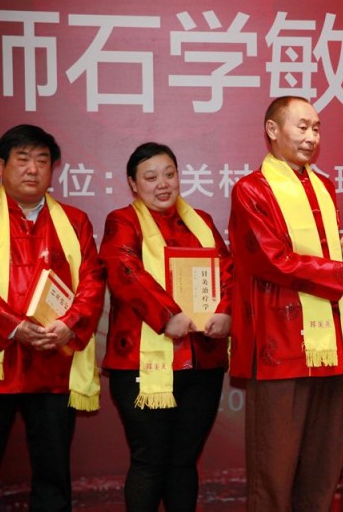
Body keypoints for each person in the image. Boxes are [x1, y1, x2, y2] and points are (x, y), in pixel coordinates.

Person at [228, 96, 343, 511]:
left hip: (327, 346)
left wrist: (339, 249)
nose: (312, 137)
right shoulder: (251, 190)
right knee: (274, 468)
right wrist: (339, 271)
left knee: (321, 466)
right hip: (278, 344)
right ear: (272, 130)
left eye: (317, 128)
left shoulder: (322, 186)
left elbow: (306, 250)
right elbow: (272, 260)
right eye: (302, 127)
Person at [0, 124, 104, 511]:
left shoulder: (74, 221)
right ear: (0, 166)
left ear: (53, 168)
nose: (32, 169)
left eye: (42, 161)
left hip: (52, 361)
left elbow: (92, 280)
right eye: (22, 159)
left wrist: (69, 324)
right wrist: (14, 326)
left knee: (53, 472)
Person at [99, 142, 232, 512]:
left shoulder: (201, 221)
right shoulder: (122, 221)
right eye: (151, 177)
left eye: (169, 174)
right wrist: (167, 314)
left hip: (201, 361)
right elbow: (124, 269)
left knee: (184, 462)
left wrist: (226, 311)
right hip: (142, 364)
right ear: (133, 183)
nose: (163, 184)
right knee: (150, 461)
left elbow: (227, 270)